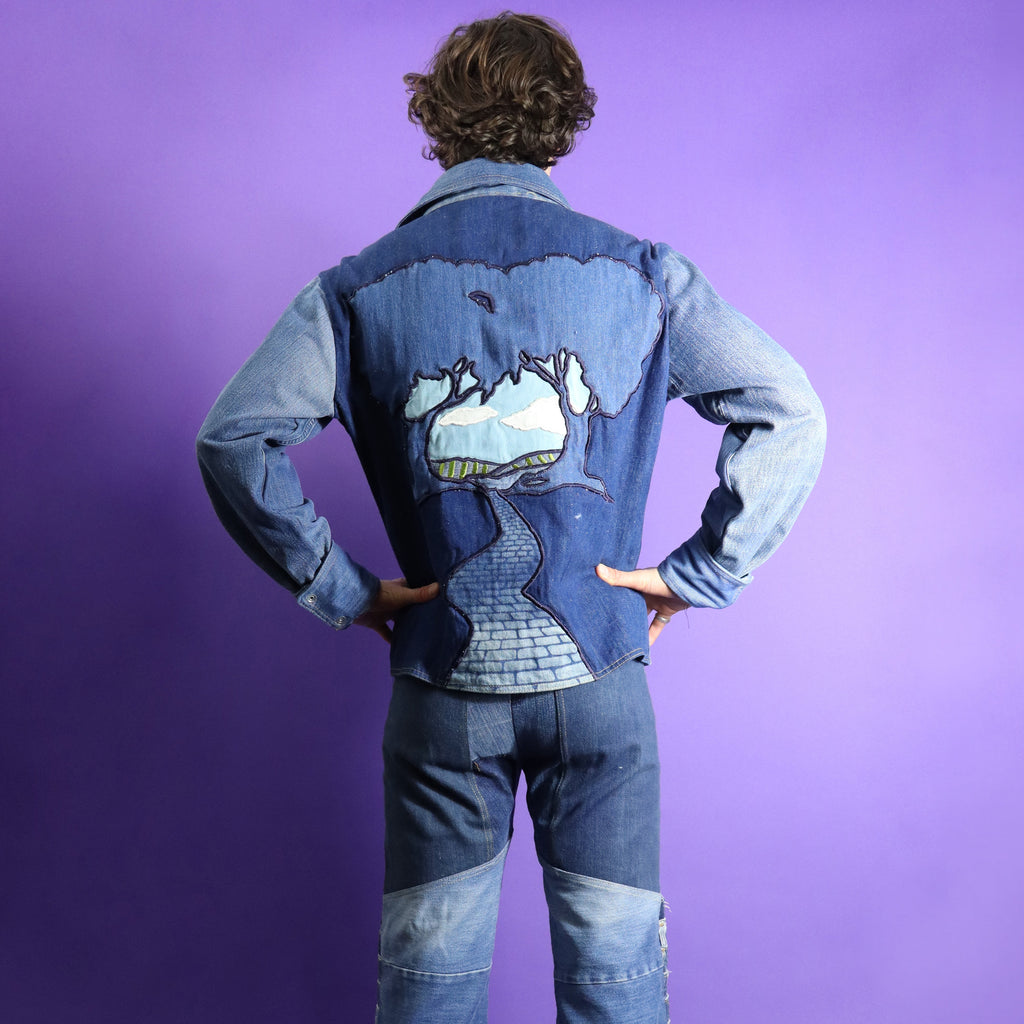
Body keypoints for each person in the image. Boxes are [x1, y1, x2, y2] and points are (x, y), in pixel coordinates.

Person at [196, 12, 825, 1023]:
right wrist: (698, 573)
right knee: (616, 987)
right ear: (561, 127)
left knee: (430, 992)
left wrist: (345, 589)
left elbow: (233, 439)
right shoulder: (644, 274)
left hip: (440, 685)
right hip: (603, 673)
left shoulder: (355, 290)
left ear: (437, 123)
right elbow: (788, 410)